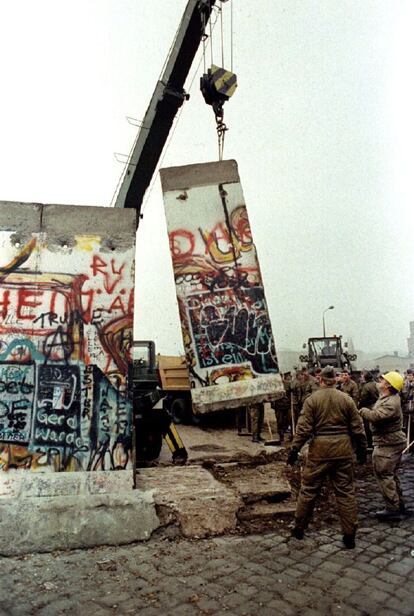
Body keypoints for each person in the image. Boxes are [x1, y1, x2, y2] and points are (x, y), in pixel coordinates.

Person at [287, 365, 367, 549]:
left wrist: (294, 450)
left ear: (321, 380)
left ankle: (299, 529)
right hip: (343, 449)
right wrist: (362, 450)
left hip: (320, 451)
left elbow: (303, 429)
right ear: (335, 380)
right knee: (345, 492)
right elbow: (358, 427)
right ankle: (349, 535)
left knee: (308, 490)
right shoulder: (346, 399)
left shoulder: (312, 400)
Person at [359, 371, 406, 520]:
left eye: (383, 380)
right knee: (390, 474)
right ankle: (398, 504)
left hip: (388, 442)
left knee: (384, 474)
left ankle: (393, 508)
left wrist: (362, 411)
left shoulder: (391, 402)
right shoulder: (388, 397)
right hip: (389, 441)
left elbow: (375, 416)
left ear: (388, 385)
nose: (380, 381)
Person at [358, 370, 379, 449]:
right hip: (376, 406)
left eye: (362, 376)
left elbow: (363, 399)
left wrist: (359, 407)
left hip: (368, 408)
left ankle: (370, 444)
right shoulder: (377, 384)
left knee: (367, 427)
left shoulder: (366, 386)